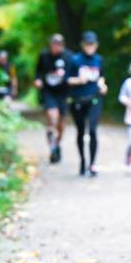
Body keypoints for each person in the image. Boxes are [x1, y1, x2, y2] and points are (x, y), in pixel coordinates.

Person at [67, 31, 107, 177]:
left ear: (96, 45)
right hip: (78, 100)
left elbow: (101, 76)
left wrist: (103, 85)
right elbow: (67, 80)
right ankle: (83, 161)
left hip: (94, 99)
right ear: (83, 45)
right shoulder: (75, 60)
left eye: (93, 44)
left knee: (93, 130)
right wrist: (78, 80)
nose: (90, 47)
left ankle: (92, 164)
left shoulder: (99, 59)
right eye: (87, 44)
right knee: (80, 132)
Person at [34, 34, 71, 164]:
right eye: (53, 44)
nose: (55, 47)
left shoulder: (68, 56)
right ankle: (52, 145)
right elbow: (38, 71)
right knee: (52, 116)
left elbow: (73, 72)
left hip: (63, 92)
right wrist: (38, 80)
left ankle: (57, 144)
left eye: (58, 44)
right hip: (48, 91)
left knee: (61, 124)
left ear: (62, 45)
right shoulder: (44, 55)